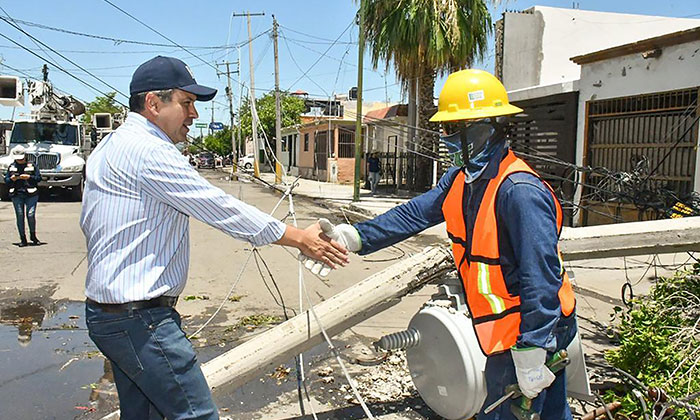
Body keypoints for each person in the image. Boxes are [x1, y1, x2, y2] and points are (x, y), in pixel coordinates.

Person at [80, 56, 349, 420]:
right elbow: (218, 206)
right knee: (197, 414)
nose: (193, 115)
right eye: (186, 103)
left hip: (111, 314)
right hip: (140, 322)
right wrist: (298, 236)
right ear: (154, 104)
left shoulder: (111, 145)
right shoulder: (150, 151)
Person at [313, 69, 577, 420]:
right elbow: (412, 215)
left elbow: (540, 279)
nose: (447, 138)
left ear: (482, 128)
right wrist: (357, 237)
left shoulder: (519, 192)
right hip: (502, 328)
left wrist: (533, 349)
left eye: (453, 130)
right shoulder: (462, 180)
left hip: (534, 330)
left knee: (509, 413)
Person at [5, 145, 41, 247]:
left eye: (21, 159)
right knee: (20, 216)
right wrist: (12, 179)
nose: (20, 161)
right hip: (17, 194)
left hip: (31, 193)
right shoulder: (12, 166)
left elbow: (39, 178)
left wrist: (29, 177)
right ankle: (23, 238)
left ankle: (33, 236)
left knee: (30, 214)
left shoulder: (32, 165)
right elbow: (6, 181)